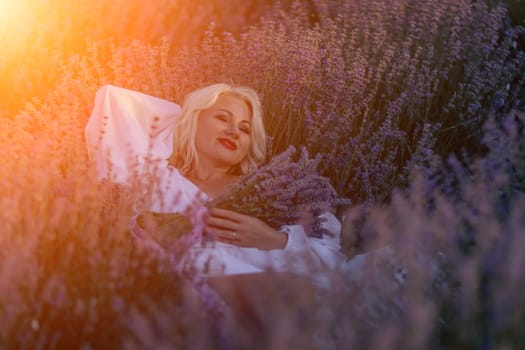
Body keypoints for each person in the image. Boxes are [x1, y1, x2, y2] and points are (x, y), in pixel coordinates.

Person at [85, 83, 346, 278]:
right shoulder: (158, 177)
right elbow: (114, 99)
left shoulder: (275, 187)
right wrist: (180, 120)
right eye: (222, 118)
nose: (234, 131)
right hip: (196, 290)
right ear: (192, 122)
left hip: (278, 284)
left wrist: (273, 240)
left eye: (245, 129)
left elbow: (333, 255)